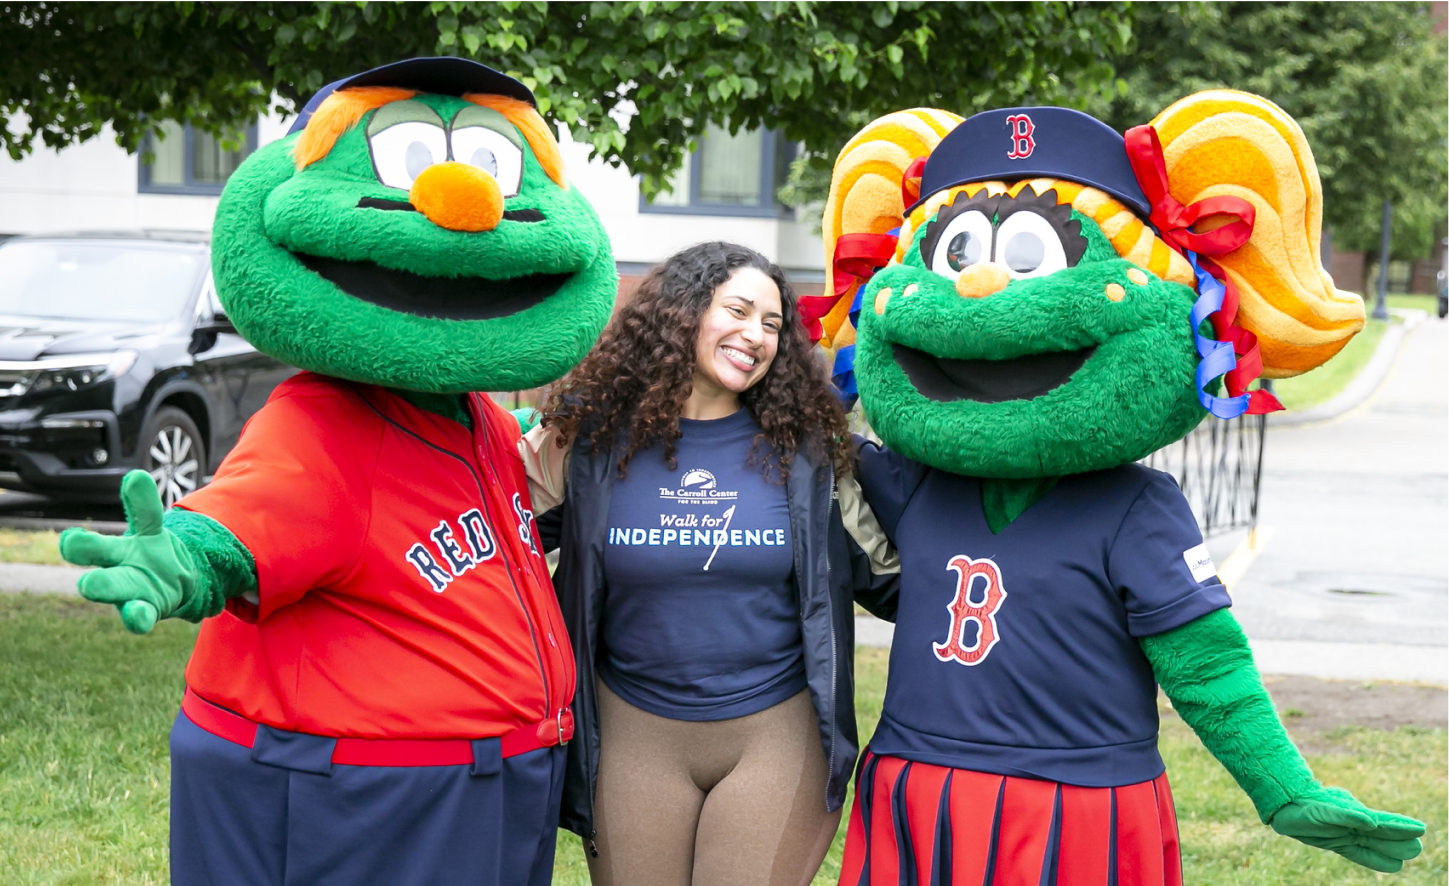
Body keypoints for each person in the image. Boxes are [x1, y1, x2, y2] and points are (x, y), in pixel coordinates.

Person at [56, 57, 620, 886]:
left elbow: (510, 486)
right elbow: (237, 524)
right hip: (360, 791)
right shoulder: (322, 420)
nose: (463, 201)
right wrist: (177, 560)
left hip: (479, 786)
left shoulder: (476, 420)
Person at [521, 241, 898, 886]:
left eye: (774, 325)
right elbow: (490, 526)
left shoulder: (807, 453)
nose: (756, 336)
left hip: (776, 734)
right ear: (685, 312)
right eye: (740, 311)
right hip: (630, 733)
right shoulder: (587, 441)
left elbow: (896, 581)